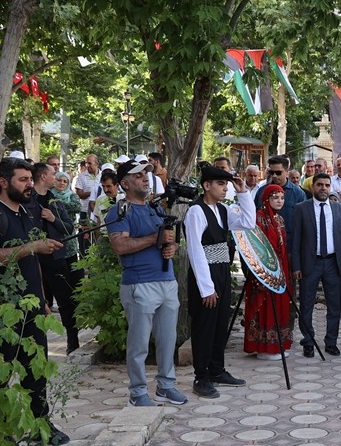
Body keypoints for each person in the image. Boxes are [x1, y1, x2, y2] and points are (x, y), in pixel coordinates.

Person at [0, 158, 67, 441]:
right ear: (3, 181)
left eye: (30, 179)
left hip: (33, 305)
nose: (30, 184)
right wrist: (32, 246)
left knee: (37, 371)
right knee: (1, 374)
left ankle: (41, 428)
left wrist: (43, 298)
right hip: (4, 310)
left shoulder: (26, 212)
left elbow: (32, 264)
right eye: (23, 180)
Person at [105, 160, 185, 407]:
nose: (144, 179)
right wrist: (154, 239)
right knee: (139, 343)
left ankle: (166, 386)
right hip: (140, 283)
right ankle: (138, 392)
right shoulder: (120, 211)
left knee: (167, 339)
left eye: (146, 175)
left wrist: (171, 246)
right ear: (125, 184)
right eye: (138, 176)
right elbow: (120, 246)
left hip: (166, 280)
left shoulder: (155, 209)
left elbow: (168, 241)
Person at [185, 165, 255, 398]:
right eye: (221, 184)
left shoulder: (223, 210)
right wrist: (207, 288)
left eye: (227, 184)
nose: (226, 188)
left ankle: (216, 369)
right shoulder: (196, 211)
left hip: (222, 270)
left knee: (220, 323)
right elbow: (195, 250)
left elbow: (248, 222)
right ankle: (201, 376)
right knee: (205, 325)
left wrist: (243, 192)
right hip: (206, 273)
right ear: (207, 186)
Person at [290, 173, 341, 357]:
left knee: (334, 306)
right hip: (310, 263)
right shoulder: (301, 208)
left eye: (326, 185)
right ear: (312, 186)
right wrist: (296, 266)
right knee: (306, 304)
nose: (323, 188)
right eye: (319, 185)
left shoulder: (339, 209)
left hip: (333, 263)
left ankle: (331, 342)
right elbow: (296, 240)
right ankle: (308, 342)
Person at [26, 161, 84, 353]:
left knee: (66, 300)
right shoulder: (27, 199)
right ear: (43, 176)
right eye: (53, 173)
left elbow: (69, 227)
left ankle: (72, 340)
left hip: (56, 257)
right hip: (31, 257)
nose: (56, 177)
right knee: (36, 302)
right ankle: (36, 345)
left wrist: (53, 219)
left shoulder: (55, 201)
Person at [243, 183, 294, 360]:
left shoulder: (280, 219)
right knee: (264, 305)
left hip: (281, 268)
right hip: (263, 270)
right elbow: (255, 247)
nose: (279, 201)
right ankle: (263, 347)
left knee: (280, 303)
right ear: (266, 198)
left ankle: (277, 344)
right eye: (275, 197)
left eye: (282, 197)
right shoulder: (258, 218)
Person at [258, 155, 306, 227]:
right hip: (265, 236)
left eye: (278, 173)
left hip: (289, 236)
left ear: (287, 172)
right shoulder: (262, 191)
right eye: (271, 172)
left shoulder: (298, 194)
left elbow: (304, 220)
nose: (274, 176)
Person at [74, 153, 102, 221]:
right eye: (86, 163)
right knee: (85, 231)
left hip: (101, 211)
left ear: (97, 163)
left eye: (89, 163)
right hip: (85, 210)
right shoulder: (81, 176)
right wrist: (93, 193)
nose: (87, 165)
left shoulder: (103, 176)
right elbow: (80, 195)